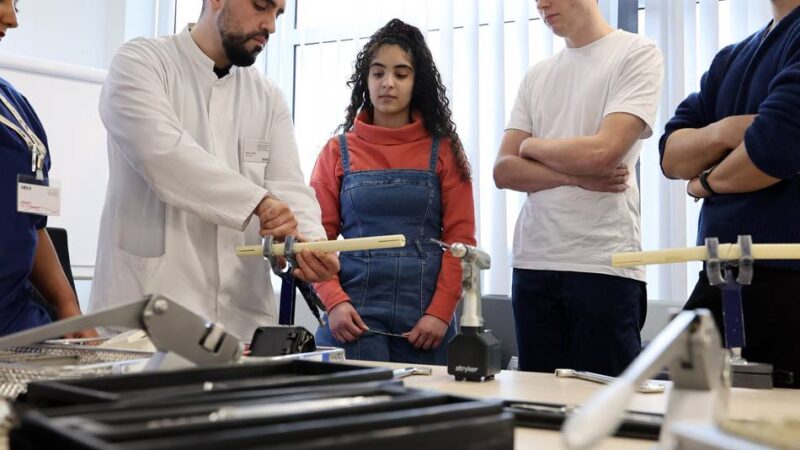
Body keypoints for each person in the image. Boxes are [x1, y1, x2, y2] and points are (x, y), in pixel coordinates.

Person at [90, 0, 339, 340]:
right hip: (149, 320)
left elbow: (289, 186)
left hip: (243, 325)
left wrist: (309, 245)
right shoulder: (140, 63)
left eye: (278, 14)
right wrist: (260, 203)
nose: (271, 26)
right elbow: (165, 156)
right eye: (261, 6)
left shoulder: (268, 97)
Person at [493, 0, 663, 376]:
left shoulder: (636, 52)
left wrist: (533, 146)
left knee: (608, 413)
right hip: (533, 263)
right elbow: (504, 170)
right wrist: (574, 176)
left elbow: (604, 152)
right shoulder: (537, 75)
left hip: (603, 263)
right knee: (539, 412)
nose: (541, 4)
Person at [310, 19, 476, 364]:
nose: (388, 83)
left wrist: (441, 314)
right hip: (351, 321)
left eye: (401, 74)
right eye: (378, 73)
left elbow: (461, 244)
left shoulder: (444, 149)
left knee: (425, 416)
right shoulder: (336, 151)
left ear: (417, 83)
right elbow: (315, 242)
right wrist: (335, 303)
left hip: (426, 323)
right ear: (365, 79)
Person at [660, 1, 800, 387]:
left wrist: (704, 183)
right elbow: (671, 154)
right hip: (720, 276)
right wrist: (723, 131)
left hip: (786, 282)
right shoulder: (731, 58)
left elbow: (775, 145)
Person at [0, 0, 95, 337]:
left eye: (14, 5)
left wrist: (69, 307)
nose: (11, 19)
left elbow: (35, 222)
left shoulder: (17, 111)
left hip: (23, 332)